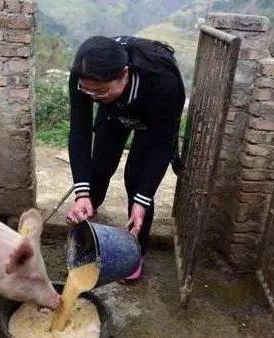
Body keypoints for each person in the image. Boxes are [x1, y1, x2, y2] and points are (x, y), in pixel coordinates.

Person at [66, 36, 185, 282]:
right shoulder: (83, 78)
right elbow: (79, 131)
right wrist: (81, 193)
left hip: (151, 121)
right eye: (87, 90)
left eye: (100, 90)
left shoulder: (164, 83)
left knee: (137, 181)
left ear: (124, 74)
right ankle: (86, 217)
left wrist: (143, 199)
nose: (92, 96)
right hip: (113, 114)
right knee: (98, 167)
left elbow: (162, 145)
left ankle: (135, 249)